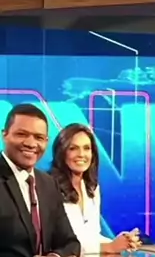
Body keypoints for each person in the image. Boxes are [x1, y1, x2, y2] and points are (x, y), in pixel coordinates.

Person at [0, 103, 81, 257]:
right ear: (5, 135)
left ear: (46, 141)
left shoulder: (49, 184)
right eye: (21, 134)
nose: (31, 144)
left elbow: (70, 243)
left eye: (39, 137)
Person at [51, 123, 141, 255]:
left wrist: (121, 242)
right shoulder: (49, 187)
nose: (81, 154)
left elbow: (92, 235)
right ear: (62, 152)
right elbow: (61, 242)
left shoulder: (91, 187)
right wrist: (109, 246)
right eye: (73, 148)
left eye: (87, 148)